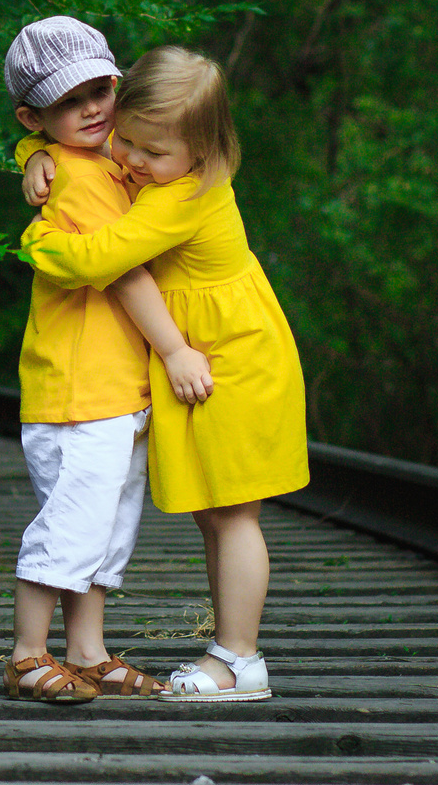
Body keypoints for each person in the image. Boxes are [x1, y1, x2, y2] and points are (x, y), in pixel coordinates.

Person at [19, 44, 308, 702]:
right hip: (211, 350)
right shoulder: (161, 173)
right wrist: (33, 156)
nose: (131, 160)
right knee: (216, 515)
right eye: (127, 140)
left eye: (153, 152)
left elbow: (100, 258)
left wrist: (39, 241)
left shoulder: (180, 196)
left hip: (232, 356)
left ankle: (238, 659)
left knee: (234, 515)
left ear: (200, 153)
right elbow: (77, 154)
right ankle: (232, 651)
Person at [0, 17, 215, 704]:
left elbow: (57, 142)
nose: (92, 108)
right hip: (77, 387)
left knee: (107, 528)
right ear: (35, 114)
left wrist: (30, 149)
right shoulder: (80, 180)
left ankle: (86, 650)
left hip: (112, 388)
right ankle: (28, 653)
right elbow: (120, 272)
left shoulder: (101, 158)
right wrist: (175, 347)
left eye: (102, 88)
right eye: (71, 101)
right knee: (72, 524)